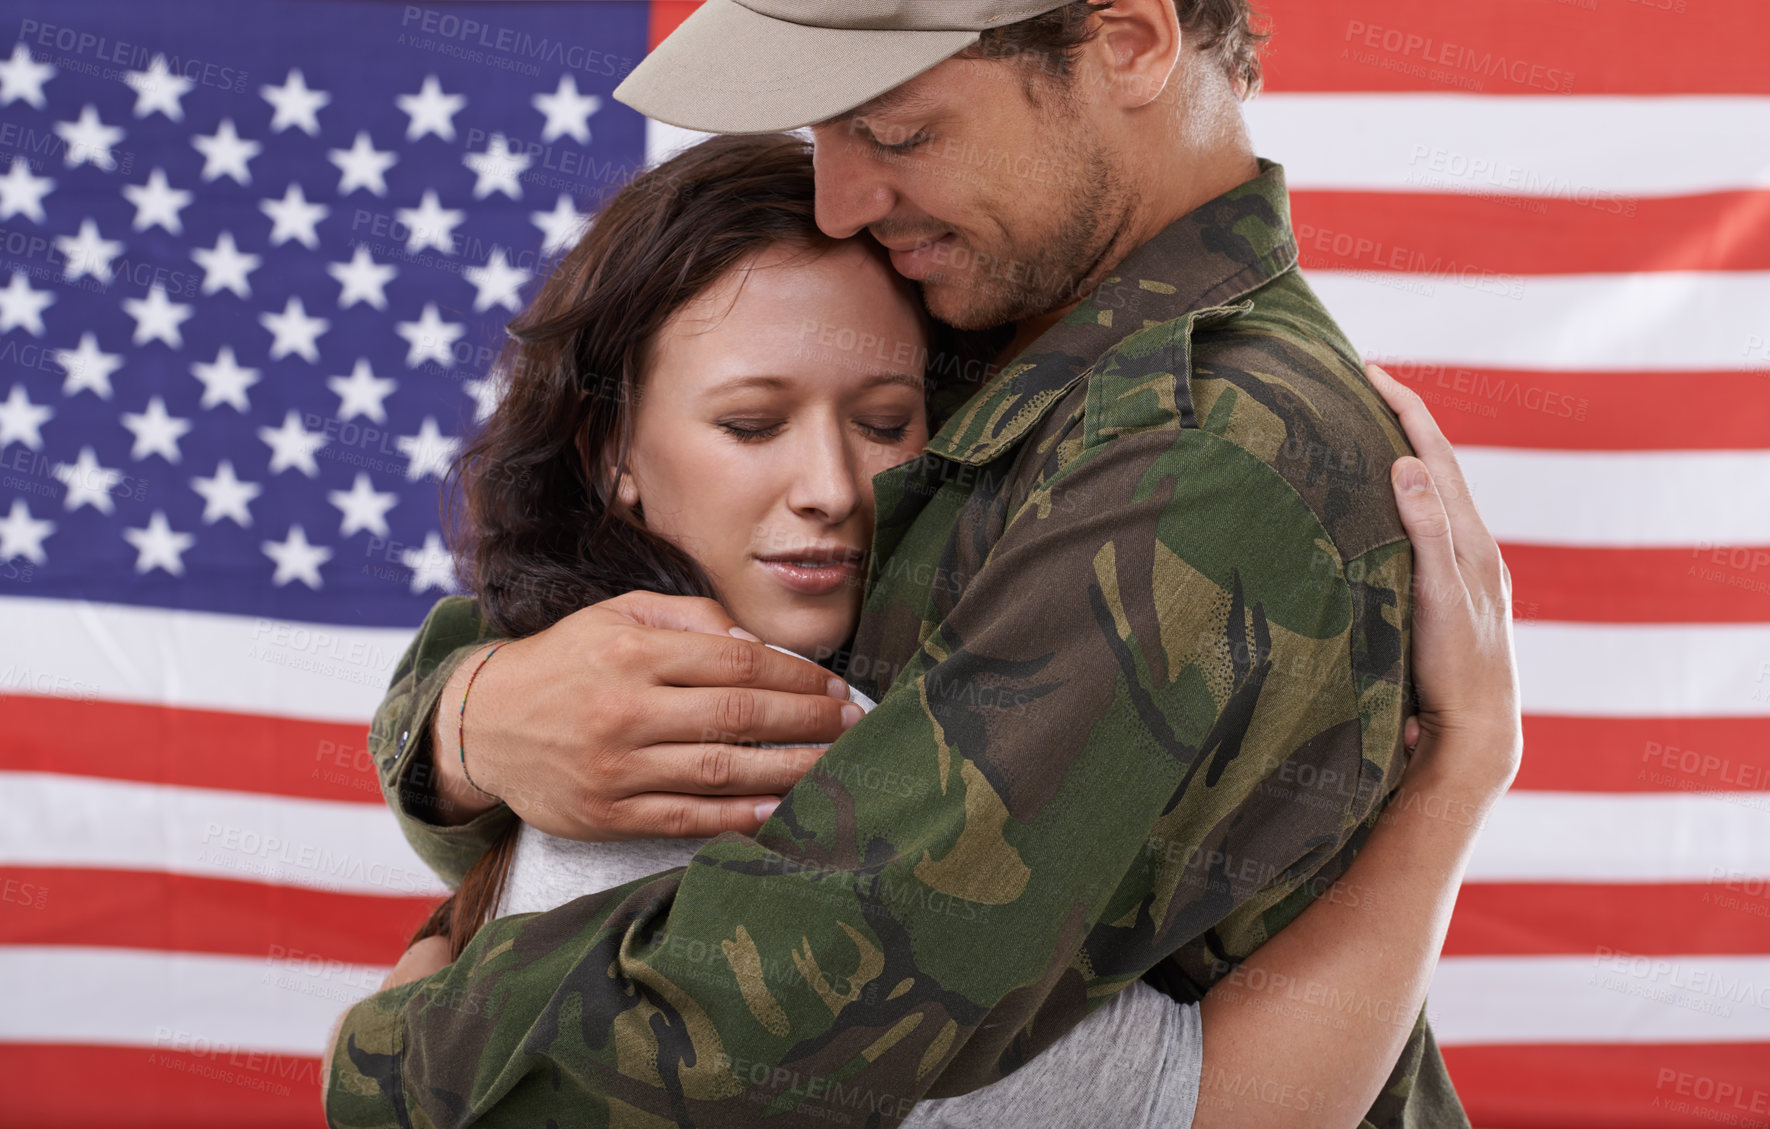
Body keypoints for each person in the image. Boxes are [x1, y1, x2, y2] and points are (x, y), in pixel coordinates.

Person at [325, 2, 1524, 1125]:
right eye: (825, 132)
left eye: (897, 129)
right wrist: (464, 729)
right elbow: (628, 705)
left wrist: (395, 1059)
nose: (841, 201)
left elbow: (787, 1009)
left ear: (1130, 40)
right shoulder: (989, 313)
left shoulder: (1195, 459)